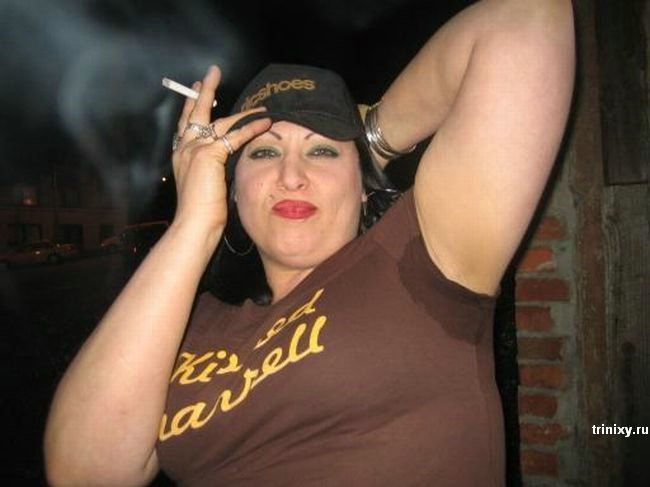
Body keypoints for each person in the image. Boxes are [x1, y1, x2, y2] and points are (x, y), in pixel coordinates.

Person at [44, 0, 575, 485]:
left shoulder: (421, 262)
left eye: (322, 152)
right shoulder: (187, 324)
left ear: (361, 186)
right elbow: (85, 473)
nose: (291, 177)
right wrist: (192, 225)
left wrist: (372, 141)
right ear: (233, 189)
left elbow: (526, 19)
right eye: (264, 153)